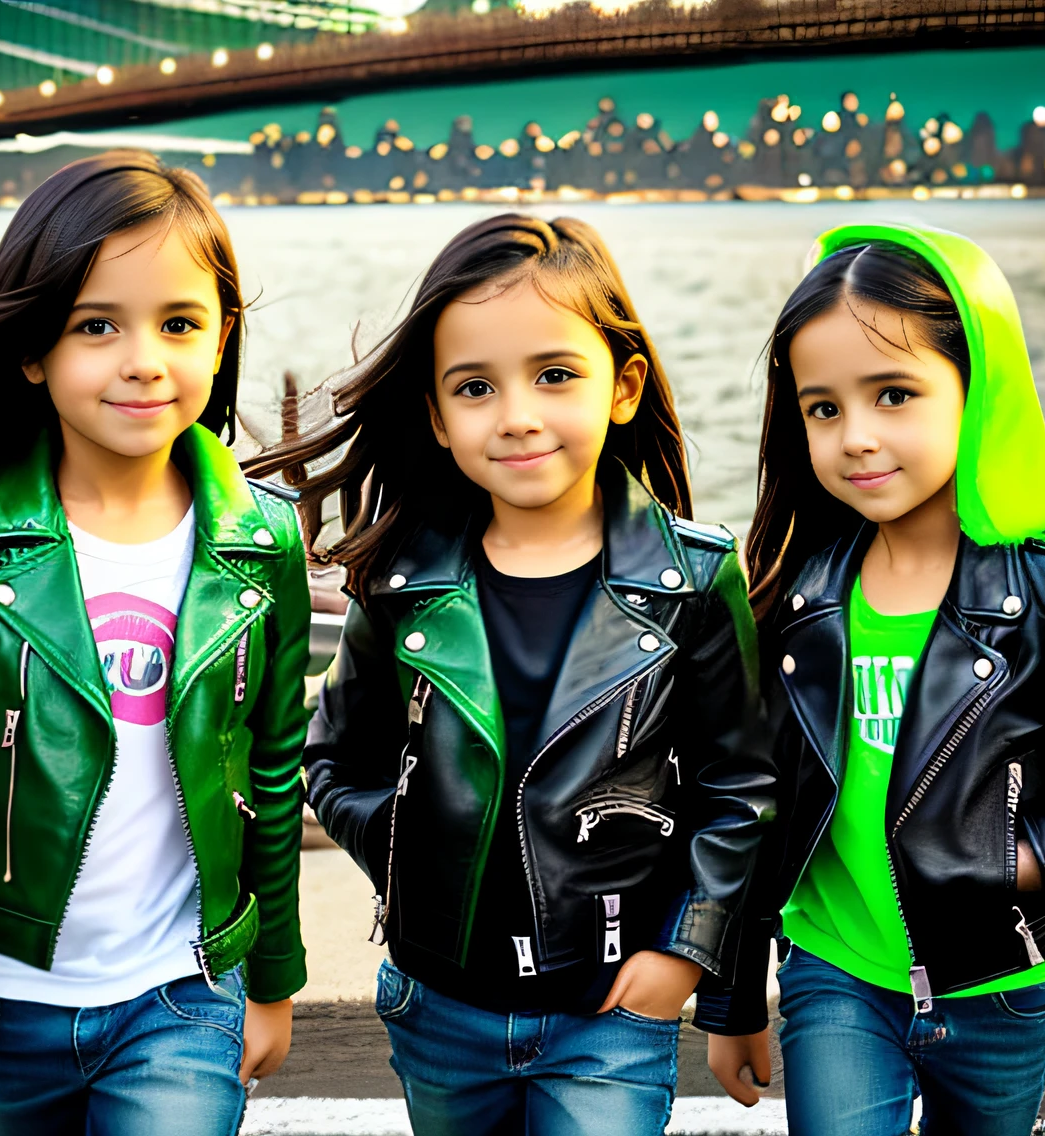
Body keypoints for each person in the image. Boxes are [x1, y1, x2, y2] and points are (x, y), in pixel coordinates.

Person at [0, 150, 310, 1135]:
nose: (142, 359)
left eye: (179, 323)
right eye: (96, 326)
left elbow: (273, 766)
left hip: (184, 986)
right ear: (33, 349)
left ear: (221, 340)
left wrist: (274, 976)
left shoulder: (263, 540)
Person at [253, 214, 774, 1134]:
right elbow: (333, 758)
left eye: (555, 375)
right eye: (475, 387)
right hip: (439, 1005)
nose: (518, 414)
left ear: (623, 386)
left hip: (609, 1010)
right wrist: (412, 847)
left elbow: (739, 790)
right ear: (437, 416)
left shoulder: (692, 579)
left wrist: (686, 954)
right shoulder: (403, 578)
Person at [708, 222, 1045, 1134]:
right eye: (823, 408)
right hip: (835, 969)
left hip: (1003, 979)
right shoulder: (795, 594)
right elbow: (759, 810)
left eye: (894, 394)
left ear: (978, 391)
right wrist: (731, 1000)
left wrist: (1021, 864)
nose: (857, 437)